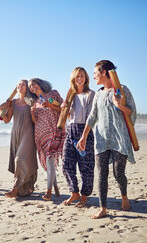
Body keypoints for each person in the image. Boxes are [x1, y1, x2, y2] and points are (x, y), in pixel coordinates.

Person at [77, 60, 136, 219]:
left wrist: (119, 105)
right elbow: (92, 116)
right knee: (102, 174)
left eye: (96, 72)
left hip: (119, 138)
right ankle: (103, 208)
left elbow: (131, 112)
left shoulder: (122, 90)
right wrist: (83, 137)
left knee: (118, 173)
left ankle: (124, 196)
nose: (94, 76)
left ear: (104, 73)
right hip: (102, 139)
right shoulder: (98, 94)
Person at [61, 67, 95, 207]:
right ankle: (74, 192)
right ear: (73, 79)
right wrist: (64, 108)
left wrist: (84, 137)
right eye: (77, 76)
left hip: (85, 130)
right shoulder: (71, 94)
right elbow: (69, 117)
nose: (79, 78)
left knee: (85, 166)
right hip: (71, 130)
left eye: (82, 76)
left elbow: (91, 117)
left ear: (86, 78)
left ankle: (84, 196)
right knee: (66, 163)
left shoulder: (91, 94)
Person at [0, 80, 38, 198]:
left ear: (27, 88)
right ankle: (22, 188)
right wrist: (1, 109)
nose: (20, 86)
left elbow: (35, 121)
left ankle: (15, 189)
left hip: (28, 133)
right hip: (16, 133)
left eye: (23, 85)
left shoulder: (32, 102)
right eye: (18, 85)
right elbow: (6, 120)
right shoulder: (13, 102)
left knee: (19, 159)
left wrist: (32, 112)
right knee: (19, 161)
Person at [29, 78, 65, 200]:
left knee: (50, 159)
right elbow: (35, 121)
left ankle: (48, 191)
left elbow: (63, 108)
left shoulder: (53, 94)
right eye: (30, 87)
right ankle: (55, 187)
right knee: (49, 162)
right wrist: (32, 113)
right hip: (40, 134)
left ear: (40, 84)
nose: (32, 87)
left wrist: (50, 105)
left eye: (33, 84)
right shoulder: (35, 102)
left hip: (54, 131)